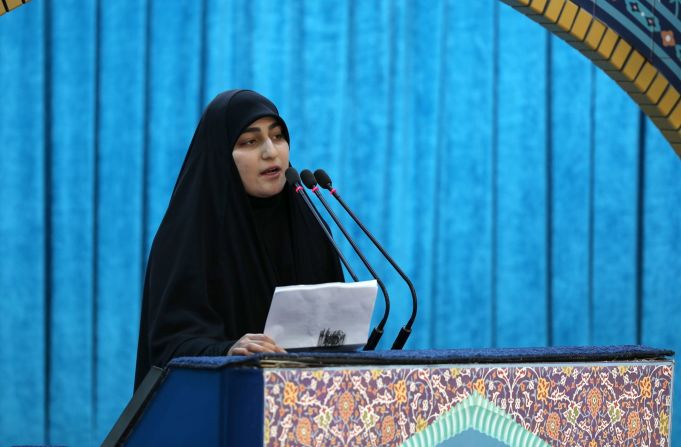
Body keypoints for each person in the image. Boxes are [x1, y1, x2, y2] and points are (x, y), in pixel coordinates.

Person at [134, 90, 344, 389]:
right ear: (220, 154)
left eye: (278, 137)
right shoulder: (187, 236)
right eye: (250, 141)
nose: (271, 152)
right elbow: (168, 347)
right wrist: (227, 352)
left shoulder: (311, 226)